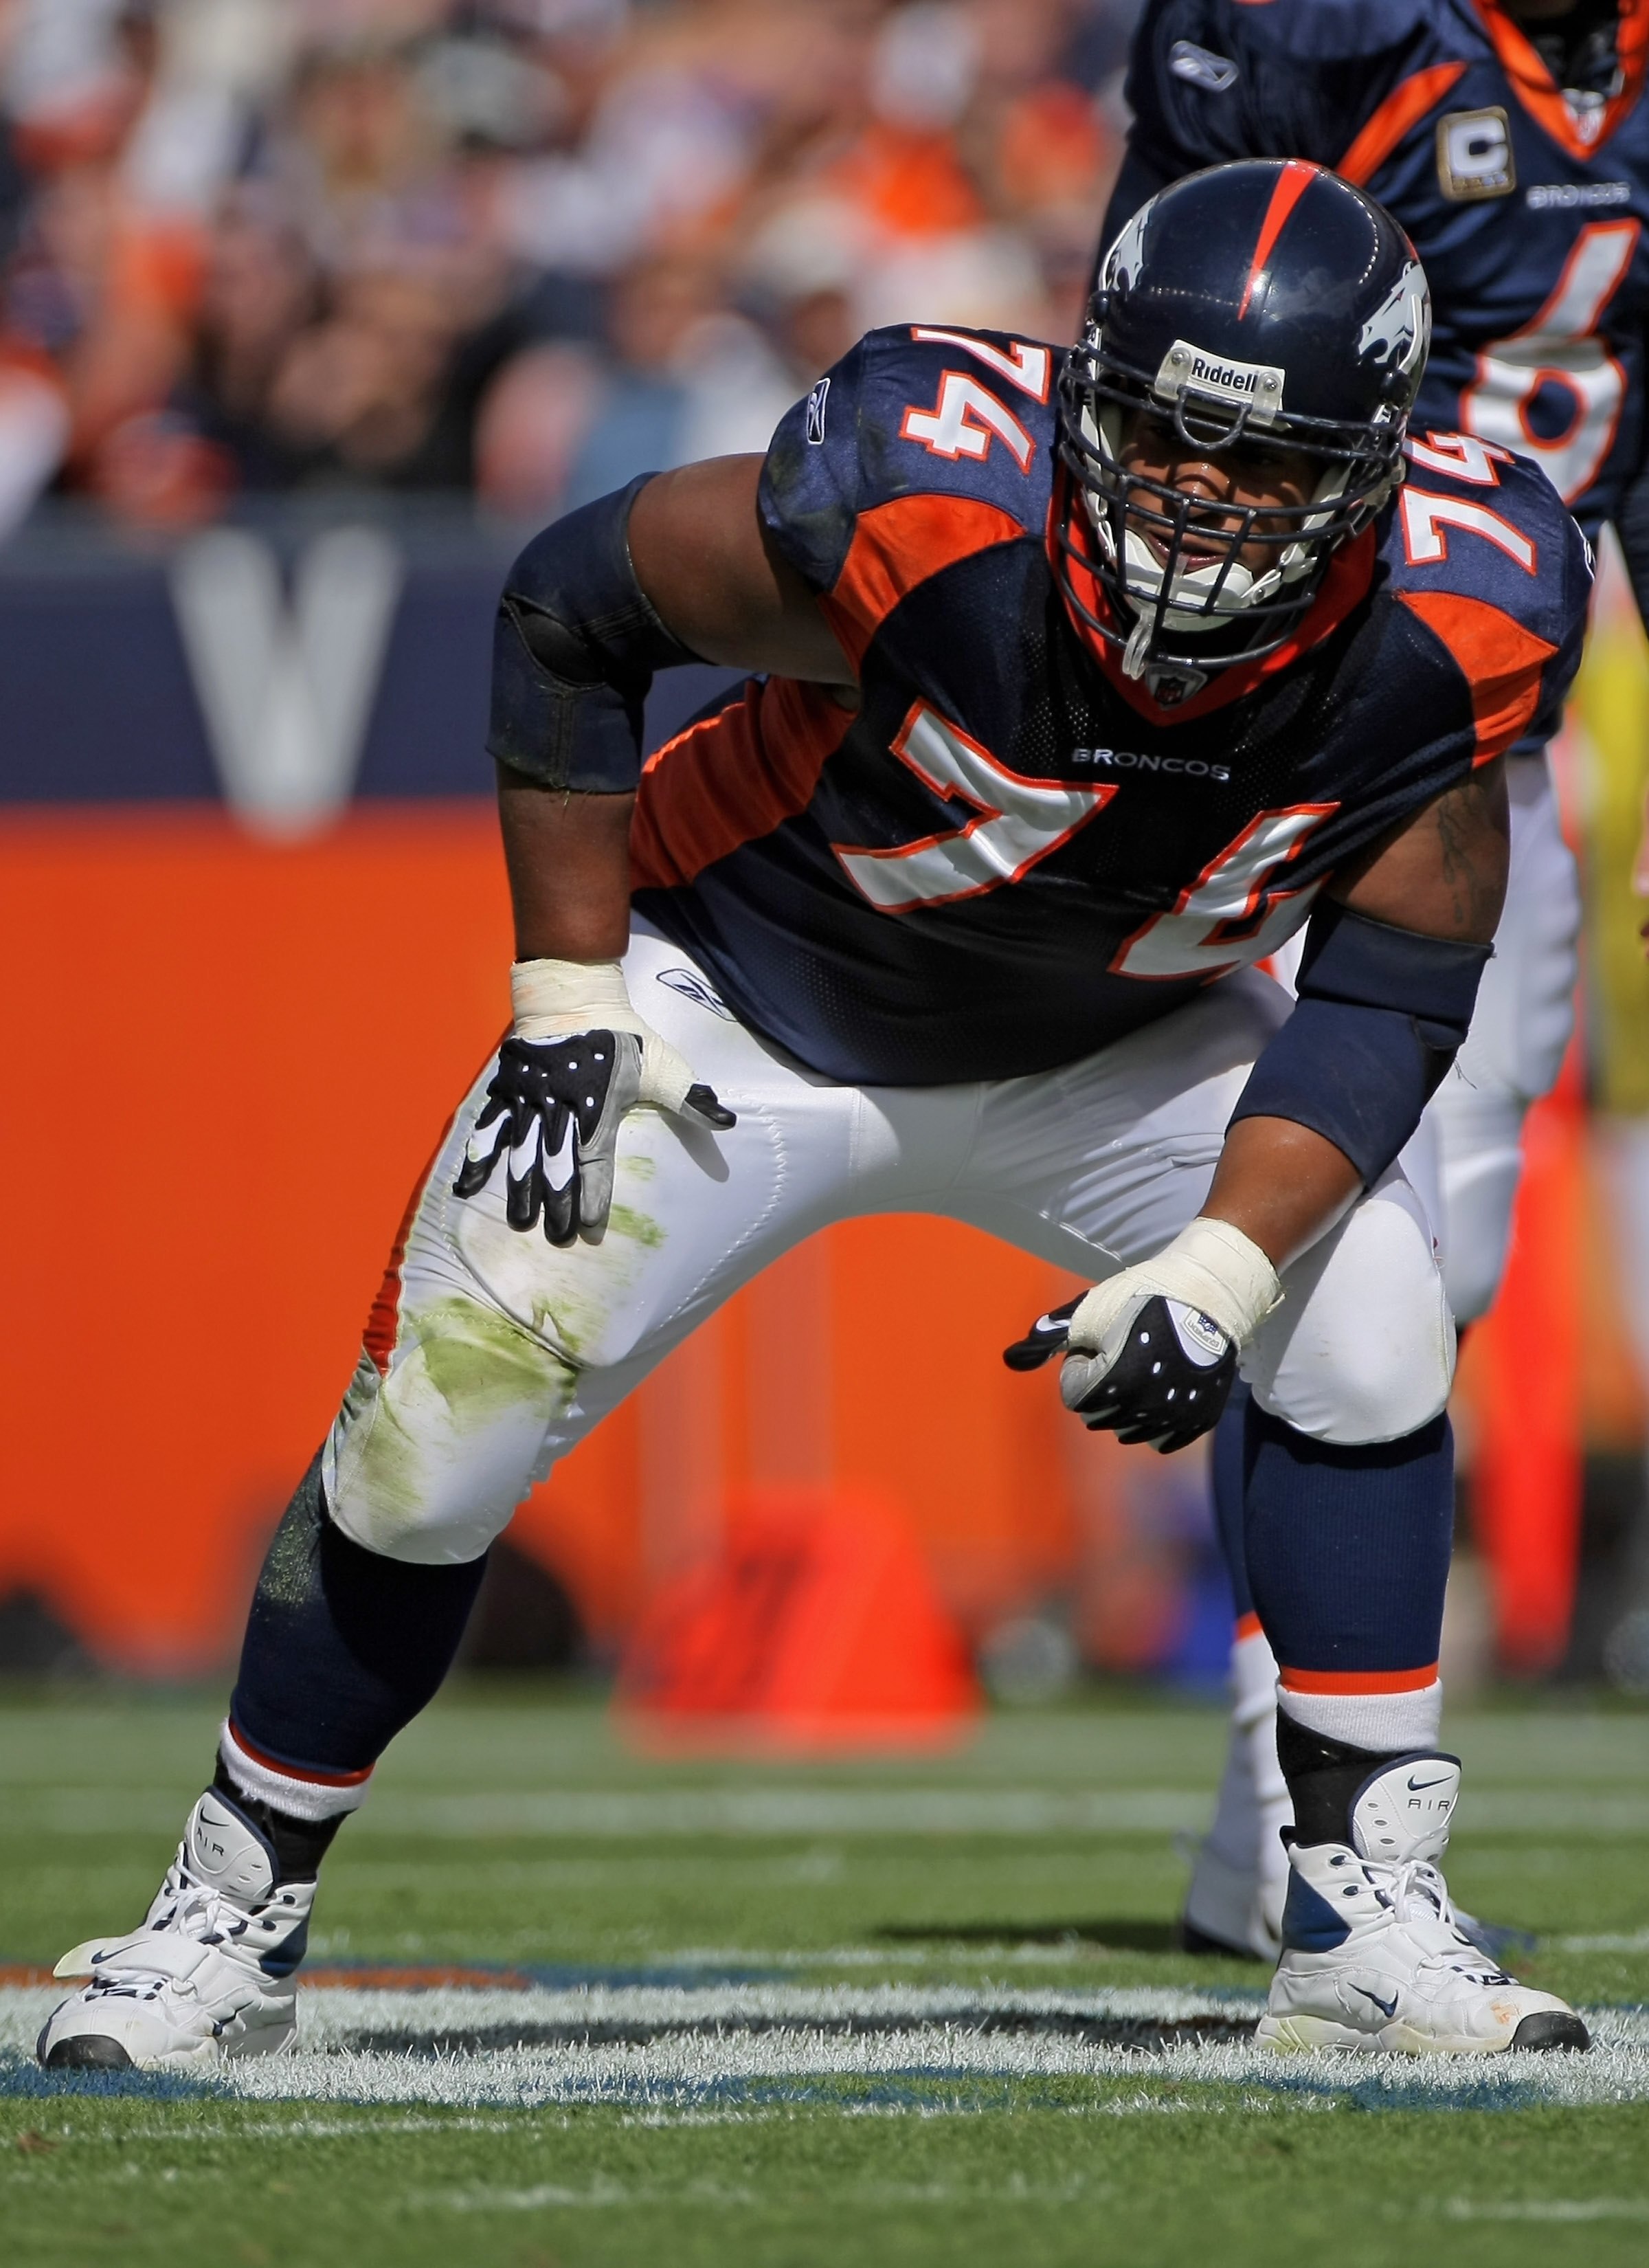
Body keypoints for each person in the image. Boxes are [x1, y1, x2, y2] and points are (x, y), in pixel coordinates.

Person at [38, 159, 1591, 2069]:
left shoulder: (1470, 607)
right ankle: (227, 1908)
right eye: (1164, 433)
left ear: (1373, 471)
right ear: (1088, 391)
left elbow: (1392, 983)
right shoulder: (931, 491)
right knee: (442, 1422)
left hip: (1120, 1044)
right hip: (747, 995)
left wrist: (1211, 1257)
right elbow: (568, 604)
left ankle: (1362, 1919)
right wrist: (566, 990)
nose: (1197, 495)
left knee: (1364, 1313)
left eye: (1266, 469)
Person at [1106, 0, 1649, 1961]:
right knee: (1325, 1222)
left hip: (1505, 699)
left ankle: (1276, 1805)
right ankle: (1282, 1813)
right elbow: (1160, 322)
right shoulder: (1322, 26)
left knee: (1450, 1256)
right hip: (1291, 668)